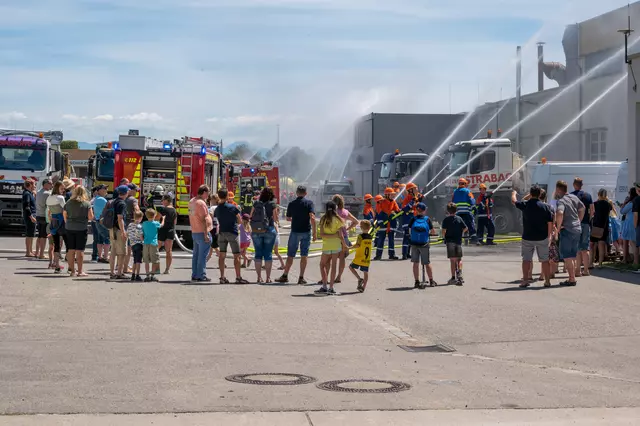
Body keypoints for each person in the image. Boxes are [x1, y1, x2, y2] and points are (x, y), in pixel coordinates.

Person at [512, 186, 554, 288]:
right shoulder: (546, 207)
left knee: (526, 259)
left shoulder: (525, 204)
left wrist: (513, 193)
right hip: (542, 237)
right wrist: (549, 236)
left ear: (531, 193)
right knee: (545, 260)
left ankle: (525, 280)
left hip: (528, 237)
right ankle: (547, 281)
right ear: (540, 194)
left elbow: (514, 201)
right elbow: (550, 223)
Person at [276, 186, 317, 284]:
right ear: (306, 193)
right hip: (306, 231)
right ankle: (301, 277)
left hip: (295, 231)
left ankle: (285, 275)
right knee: (304, 255)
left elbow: (288, 218)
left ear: (296, 193)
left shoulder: (291, 204)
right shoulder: (309, 203)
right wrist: (315, 232)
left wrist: (295, 218)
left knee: (290, 254)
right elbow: (312, 217)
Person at [554, 180, 586, 286]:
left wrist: (558, 228)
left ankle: (572, 278)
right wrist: (579, 221)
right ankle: (571, 277)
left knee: (567, 256)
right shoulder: (574, 197)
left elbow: (559, 213)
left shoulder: (561, 201)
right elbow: (582, 208)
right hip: (577, 229)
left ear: (558, 190)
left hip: (567, 229)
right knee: (572, 254)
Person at [214, 189, 249, 284]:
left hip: (222, 233)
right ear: (227, 197)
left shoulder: (217, 209)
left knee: (222, 255)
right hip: (232, 233)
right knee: (237, 256)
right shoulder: (232, 207)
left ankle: (222, 277)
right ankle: (238, 277)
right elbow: (240, 220)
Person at [315, 201, 347, 296]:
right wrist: (344, 245)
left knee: (322, 265)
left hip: (326, 245)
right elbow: (340, 235)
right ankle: (331, 287)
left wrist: (329, 236)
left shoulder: (323, 219)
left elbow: (322, 235)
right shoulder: (338, 219)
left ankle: (324, 285)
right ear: (335, 209)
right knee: (333, 266)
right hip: (336, 245)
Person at [63, 186, 94, 277]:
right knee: (80, 250)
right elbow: (90, 217)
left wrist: (68, 222)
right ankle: (80, 271)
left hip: (69, 227)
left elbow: (64, 214)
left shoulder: (68, 203)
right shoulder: (86, 204)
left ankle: (72, 271)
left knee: (71, 250)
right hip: (81, 228)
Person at [250, 187, 278, 283]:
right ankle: (268, 278)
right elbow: (275, 218)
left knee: (258, 254)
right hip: (269, 230)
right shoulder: (272, 204)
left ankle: (258, 277)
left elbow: (250, 215)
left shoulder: (256, 203)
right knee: (268, 254)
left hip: (256, 231)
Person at [408, 202, 437, 288]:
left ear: (417, 210)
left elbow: (409, 231)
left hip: (414, 244)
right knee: (427, 263)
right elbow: (433, 231)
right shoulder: (427, 219)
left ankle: (416, 281)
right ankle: (431, 281)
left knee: (415, 263)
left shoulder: (413, 219)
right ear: (424, 211)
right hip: (424, 244)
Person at [189, 185, 214, 282]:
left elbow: (191, 216)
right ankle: (201, 275)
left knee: (196, 255)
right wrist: (206, 233)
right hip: (202, 231)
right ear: (204, 192)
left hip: (195, 231)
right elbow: (204, 219)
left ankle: (195, 274)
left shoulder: (192, 201)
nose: (208, 195)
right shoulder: (201, 203)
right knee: (202, 256)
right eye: (208, 193)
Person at [571, 177, 594, 276]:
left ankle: (577, 270)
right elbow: (592, 210)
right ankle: (586, 270)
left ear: (574, 185)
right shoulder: (588, 196)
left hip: (575, 223)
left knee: (576, 248)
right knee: (585, 248)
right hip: (585, 223)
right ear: (582, 185)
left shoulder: (571, 196)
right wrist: (588, 219)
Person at [333, 194, 359, 283]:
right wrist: (347, 228)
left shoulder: (332, 212)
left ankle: (329, 277)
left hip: (333, 237)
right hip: (344, 236)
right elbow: (356, 221)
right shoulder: (345, 212)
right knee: (342, 258)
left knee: (332, 258)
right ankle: (339, 276)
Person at [442, 202, 467, 286]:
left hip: (450, 241)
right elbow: (465, 228)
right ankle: (459, 274)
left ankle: (453, 277)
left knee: (452, 260)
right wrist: (461, 233)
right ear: (456, 210)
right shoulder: (459, 219)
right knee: (459, 259)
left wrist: (444, 237)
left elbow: (444, 231)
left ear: (448, 211)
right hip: (458, 241)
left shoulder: (446, 220)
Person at [373, 187, 400, 261]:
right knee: (381, 240)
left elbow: (397, 210)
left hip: (391, 224)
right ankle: (378, 255)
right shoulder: (382, 202)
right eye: (391, 195)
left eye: (393, 195)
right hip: (383, 225)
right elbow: (379, 213)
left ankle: (392, 255)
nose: (393, 196)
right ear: (387, 195)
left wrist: (395, 213)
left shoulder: (394, 202)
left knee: (391, 240)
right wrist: (381, 222)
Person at [109, 185, 130, 279]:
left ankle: (112, 272)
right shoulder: (122, 203)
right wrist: (123, 231)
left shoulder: (113, 201)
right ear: (126, 193)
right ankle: (119, 273)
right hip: (118, 229)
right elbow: (120, 218)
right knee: (122, 252)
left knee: (113, 251)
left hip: (111, 229)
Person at [46, 181, 67, 273]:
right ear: (57, 188)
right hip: (62, 221)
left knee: (56, 245)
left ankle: (57, 265)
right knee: (68, 244)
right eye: (62, 188)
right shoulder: (60, 198)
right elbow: (65, 210)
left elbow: (49, 210)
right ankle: (70, 267)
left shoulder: (49, 197)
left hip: (53, 221)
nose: (63, 190)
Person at [590, 189, 613, 269]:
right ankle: (600, 263)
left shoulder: (595, 204)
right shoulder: (608, 205)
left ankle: (591, 262)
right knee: (601, 245)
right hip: (604, 226)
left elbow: (592, 213)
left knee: (592, 244)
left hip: (596, 225)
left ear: (598, 194)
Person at [349, 220, 373, 293]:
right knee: (365, 272)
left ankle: (359, 279)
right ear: (369, 228)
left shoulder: (360, 236)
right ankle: (363, 287)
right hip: (366, 258)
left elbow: (357, 245)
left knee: (351, 267)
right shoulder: (370, 237)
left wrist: (349, 247)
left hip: (359, 257)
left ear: (361, 227)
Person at [400, 183, 422, 260]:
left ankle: (408, 253)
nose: (417, 190)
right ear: (410, 190)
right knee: (406, 237)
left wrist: (419, 200)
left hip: (412, 219)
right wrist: (412, 202)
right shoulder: (408, 198)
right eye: (415, 189)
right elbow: (405, 209)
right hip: (407, 220)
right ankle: (404, 254)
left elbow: (418, 207)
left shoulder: (414, 197)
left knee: (411, 237)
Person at [451, 178, 477, 244]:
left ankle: (457, 240)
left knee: (458, 226)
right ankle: (473, 239)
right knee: (470, 225)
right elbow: (472, 200)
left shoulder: (455, 191)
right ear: (465, 184)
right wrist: (474, 208)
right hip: (466, 212)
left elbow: (452, 201)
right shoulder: (468, 191)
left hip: (458, 212)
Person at [142, 209, 163, 282]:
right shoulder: (156, 223)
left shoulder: (144, 223)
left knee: (146, 260)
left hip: (146, 243)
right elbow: (161, 225)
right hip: (153, 243)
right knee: (155, 260)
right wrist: (163, 219)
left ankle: (147, 275)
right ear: (154, 215)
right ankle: (152, 275)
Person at [158, 194, 177, 274]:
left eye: (163, 200)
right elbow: (175, 222)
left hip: (162, 230)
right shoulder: (174, 210)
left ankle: (156, 268)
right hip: (170, 230)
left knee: (156, 249)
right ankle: (167, 269)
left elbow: (156, 218)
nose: (162, 202)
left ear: (166, 200)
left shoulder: (162, 209)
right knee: (169, 251)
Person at [91, 185, 110, 264]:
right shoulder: (103, 200)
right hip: (103, 221)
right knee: (107, 239)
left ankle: (100, 256)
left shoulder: (95, 199)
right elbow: (107, 211)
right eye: (105, 189)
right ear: (100, 190)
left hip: (97, 220)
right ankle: (105, 257)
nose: (106, 190)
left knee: (99, 239)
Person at [34, 178, 52, 260]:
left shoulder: (38, 192)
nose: (51, 185)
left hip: (38, 215)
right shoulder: (47, 193)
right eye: (50, 183)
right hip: (45, 216)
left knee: (40, 235)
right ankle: (41, 254)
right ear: (45, 184)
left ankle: (37, 252)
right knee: (44, 236)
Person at [620, 188, 637, 263]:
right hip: (635, 223)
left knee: (632, 242)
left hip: (630, 223)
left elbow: (622, 211)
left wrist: (624, 203)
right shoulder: (637, 202)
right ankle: (633, 260)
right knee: (634, 242)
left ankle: (635, 261)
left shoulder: (631, 203)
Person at [127, 211, 145, 282]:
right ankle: (137, 275)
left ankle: (133, 274)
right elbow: (141, 237)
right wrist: (144, 241)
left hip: (132, 244)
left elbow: (127, 233)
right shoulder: (139, 226)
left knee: (135, 260)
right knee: (138, 261)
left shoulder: (130, 225)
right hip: (139, 244)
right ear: (140, 218)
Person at [22, 179, 37, 257]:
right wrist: (31, 216)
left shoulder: (29, 193)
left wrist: (34, 195)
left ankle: (30, 250)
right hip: (29, 216)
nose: (35, 186)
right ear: (30, 185)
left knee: (31, 234)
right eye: (34, 184)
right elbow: (26, 206)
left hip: (31, 215)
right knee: (29, 234)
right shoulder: (27, 194)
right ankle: (28, 252)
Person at [206, 193, 220, 262]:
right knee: (212, 245)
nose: (210, 200)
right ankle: (207, 258)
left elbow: (210, 217)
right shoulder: (219, 207)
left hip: (212, 228)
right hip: (217, 228)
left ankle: (222, 261)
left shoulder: (212, 208)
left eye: (211, 199)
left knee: (214, 246)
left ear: (213, 200)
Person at [272, 206, 286, 271]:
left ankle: (267, 263)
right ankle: (283, 264)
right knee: (276, 252)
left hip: (273, 238)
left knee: (269, 251)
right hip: (276, 238)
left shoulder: (273, 221)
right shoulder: (276, 221)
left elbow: (275, 230)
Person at [633, 183, 640, 266]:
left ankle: (636, 262)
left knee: (638, 244)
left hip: (639, 224)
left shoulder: (637, 200)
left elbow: (635, 214)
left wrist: (635, 225)